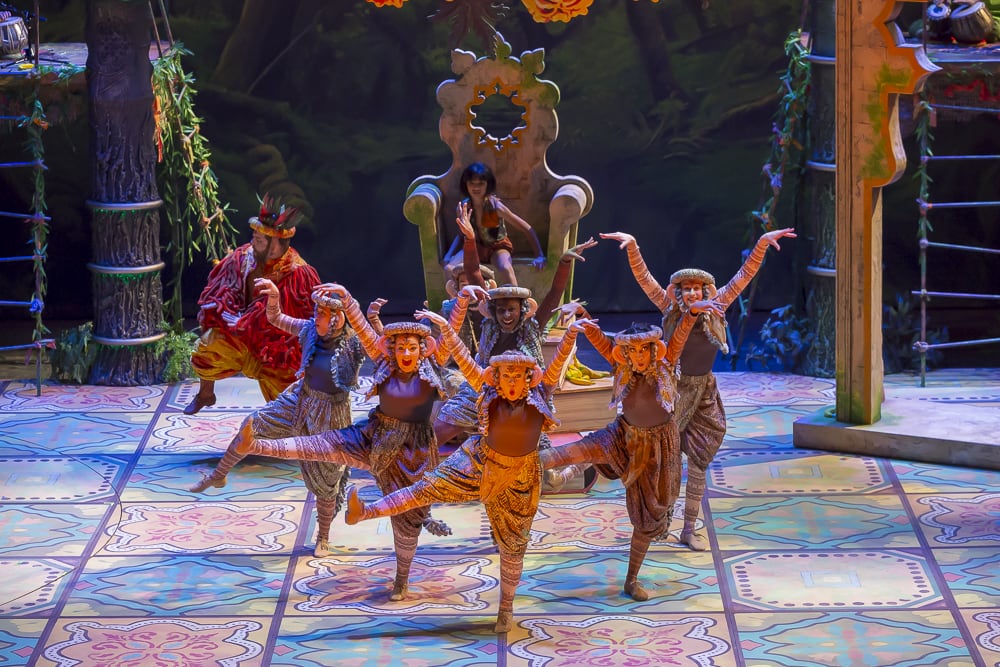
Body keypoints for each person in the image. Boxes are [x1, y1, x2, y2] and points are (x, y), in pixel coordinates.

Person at [344, 308, 581, 633]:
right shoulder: (487, 391)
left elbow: (556, 365)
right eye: (506, 376)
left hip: (520, 477)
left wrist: (571, 334)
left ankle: (505, 609)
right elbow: (465, 360)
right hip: (479, 460)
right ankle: (366, 511)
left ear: (529, 379)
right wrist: (446, 327)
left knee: (513, 548)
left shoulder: (541, 394)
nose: (512, 382)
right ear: (497, 378)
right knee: (426, 487)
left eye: (518, 376)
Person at [238, 284, 451, 600]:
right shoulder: (384, 361)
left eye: (412, 348)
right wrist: (349, 300)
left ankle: (401, 579)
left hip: (413, 451)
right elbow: (364, 330)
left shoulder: (433, 367)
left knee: (407, 521)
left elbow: (452, 344)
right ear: (392, 349)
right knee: (323, 444)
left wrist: (451, 316)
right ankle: (255, 445)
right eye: (401, 348)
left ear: (423, 349)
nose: (406, 354)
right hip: (374, 435)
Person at [603, 227, 796, 551]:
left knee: (700, 459)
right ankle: (658, 522)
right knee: (665, 461)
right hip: (672, 391)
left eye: (697, 288)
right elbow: (644, 279)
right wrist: (633, 247)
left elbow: (744, 276)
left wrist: (762, 244)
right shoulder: (669, 309)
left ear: (705, 290)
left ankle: (689, 528)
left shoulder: (717, 306)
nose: (692, 293)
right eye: (686, 288)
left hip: (704, 391)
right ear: (678, 292)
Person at [540, 312, 721, 602]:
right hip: (623, 435)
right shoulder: (621, 366)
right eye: (633, 351)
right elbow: (602, 342)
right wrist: (583, 323)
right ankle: (536, 465)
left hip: (658, 447)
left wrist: (691, 314)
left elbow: (679, 337)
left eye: (643, 350)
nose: (638, 357)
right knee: (582, 448)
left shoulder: (666, 363)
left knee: (648, 520)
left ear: (653, 350)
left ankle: (631, 580)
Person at [187, 280, 364, 557]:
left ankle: (323, 537)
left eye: (322, 314)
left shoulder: (353, 344)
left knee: (327, 477)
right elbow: (277, 319)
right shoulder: (309, 330)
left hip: (331, 413)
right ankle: (218, 475)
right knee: (252, 425)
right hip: (301, 399)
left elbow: (373, 340)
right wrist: (274, 296)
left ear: (337, 319)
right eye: (316, 312)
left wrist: (351, 303)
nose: (316, 317)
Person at [433, 237, 598, 446]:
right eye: (501, 310)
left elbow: (555, 293)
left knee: (532, 446)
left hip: (524, 392)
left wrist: (564, 262)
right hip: (486, 387)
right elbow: (474, 272)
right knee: (442, 427)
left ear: (522, 310)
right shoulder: (490, 326)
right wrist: (470, 239)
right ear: (493, 311)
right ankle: (420, 458)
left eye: (512, 309)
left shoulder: (532, 327)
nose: (506, 315)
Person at [184, 194, 320, 414]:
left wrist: (249, 322)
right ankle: (205, 394)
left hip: (274, 350)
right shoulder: (244, 256)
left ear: (274, 246)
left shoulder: (297, 272)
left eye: (259, 240)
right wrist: (226, 311)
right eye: (254, 237)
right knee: (207, 347)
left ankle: (289, 422)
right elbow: (222, 289)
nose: (253, 242)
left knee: (286, 406)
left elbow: (302, 323)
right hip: (240, 336)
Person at [444, 162, 545, 287]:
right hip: (473, 246)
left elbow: (527, 228)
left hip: (496, 247)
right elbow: (461, 235)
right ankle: (455, 299)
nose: (476, 187)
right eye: (472, 183)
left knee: (506, 268)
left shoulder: (496, 206)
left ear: (488, 184)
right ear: (466, 184)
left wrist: (539, 255)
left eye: (481, 183)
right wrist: (448, 255)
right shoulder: (464, 207)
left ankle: (515, 298)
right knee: (449, 268)